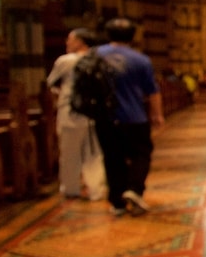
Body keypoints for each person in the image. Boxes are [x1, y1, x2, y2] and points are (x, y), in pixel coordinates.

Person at [94, 17, 165, 216]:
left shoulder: (95, 56)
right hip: (134, 117)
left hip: (105, 118)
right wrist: (157, 115)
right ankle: (134, 189)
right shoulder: (140, 60)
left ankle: (117, 202)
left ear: (107, 35)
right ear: (133, 37)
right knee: (141, 154)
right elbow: (152, 91)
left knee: (112, 158)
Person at [46, 28, 108, 201]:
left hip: (70, 112)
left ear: (81, 42)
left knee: (69, 152)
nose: (67, 43)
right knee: (94, 153)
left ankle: (71, 188)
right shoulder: (99, 59)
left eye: (70, 39)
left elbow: (49, 83)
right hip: (94, 113)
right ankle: (96, 189)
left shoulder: (65, 61)